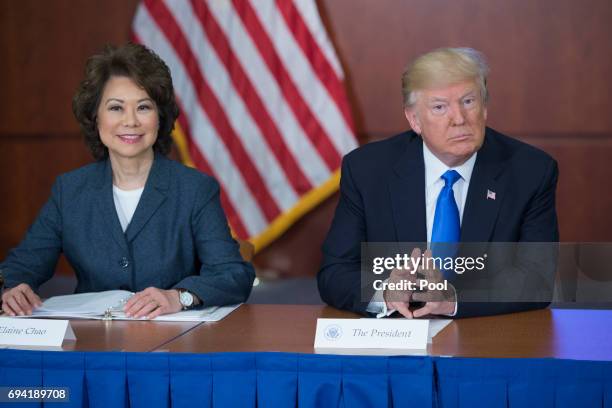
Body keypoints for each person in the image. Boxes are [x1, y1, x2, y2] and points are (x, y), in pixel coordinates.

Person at [0, 43, 255, 318]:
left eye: (143, 107)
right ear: (95, 117)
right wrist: (12, 288)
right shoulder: (70, 191)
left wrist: (180, 296)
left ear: (160, 118)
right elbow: (21, 266)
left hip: (173, 343)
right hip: (92, 345)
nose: (130, 121)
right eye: (116, 108)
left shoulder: (194, 189)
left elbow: (233, 275)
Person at [318, 47, 559, 319]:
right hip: (397, 339)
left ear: (485, 107)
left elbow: (537, 280)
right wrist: (385, 293)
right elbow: (335, 272)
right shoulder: (368, 170)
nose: (459, 119)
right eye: (439, 107)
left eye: (469, 101)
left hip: (485, 340)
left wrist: (452, 299)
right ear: (414, 119)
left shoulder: (530, 172)